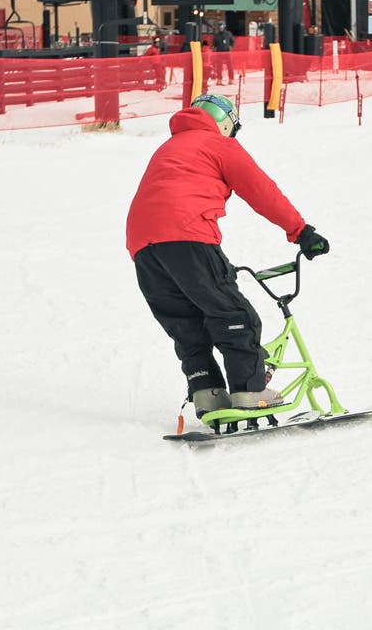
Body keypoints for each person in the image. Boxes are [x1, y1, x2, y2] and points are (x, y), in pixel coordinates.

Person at [126, 94, 329, 419]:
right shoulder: (217, 144)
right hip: (186, 234)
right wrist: (301, 231)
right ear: (224, 123)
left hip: (142, 246)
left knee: (187, 325)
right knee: (236, 316)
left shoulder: (169, 148)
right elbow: (260, 190)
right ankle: (250, 392)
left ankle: (208, 394)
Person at [211, 21, 235, 85]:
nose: (221, 28)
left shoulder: (228, 34)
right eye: (220, 27)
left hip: (227, 52)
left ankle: (231, 80)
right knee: (219, 67)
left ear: (224, 27)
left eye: (222, 26)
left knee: (230, 66)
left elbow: (232, 41)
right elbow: (214, 44)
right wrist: (214, 49)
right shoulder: (217, 35)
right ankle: (219, 80)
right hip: (219, 53)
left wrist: (231, 47)